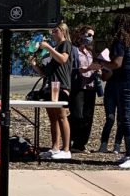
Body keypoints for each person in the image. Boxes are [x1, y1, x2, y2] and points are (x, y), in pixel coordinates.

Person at [91, 14, 130, 169]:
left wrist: (101, 62)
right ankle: (129, 153)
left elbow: (116, 63)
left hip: (128, 80)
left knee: (126, 117)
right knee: (124, 116)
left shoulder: (120, 41)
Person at [31, 22, 73, 160]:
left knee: (61, 116)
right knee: (52, 118)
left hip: (61, 86)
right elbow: (45, 73)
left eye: (55, 31)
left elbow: (63, 59)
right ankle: (55, 147)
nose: (53, 33)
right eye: (52, 31)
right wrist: (35, 65)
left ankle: (66, 149)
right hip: (50, 85)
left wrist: (48, 48)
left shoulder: (65, 44)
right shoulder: (54, 49)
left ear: (63, 31)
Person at [69, 26, 100, 153]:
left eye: (92, 35)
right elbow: (69, 68)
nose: (90, 38)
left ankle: (80, 144)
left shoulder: (90, 52)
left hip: (90, 87)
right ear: (80, 34)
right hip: (78, 86)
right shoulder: (73, 50)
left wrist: (96, 69)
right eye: (88, 34)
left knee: (88, 116)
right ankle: (70, 140)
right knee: (77, 115)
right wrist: (84, 70)